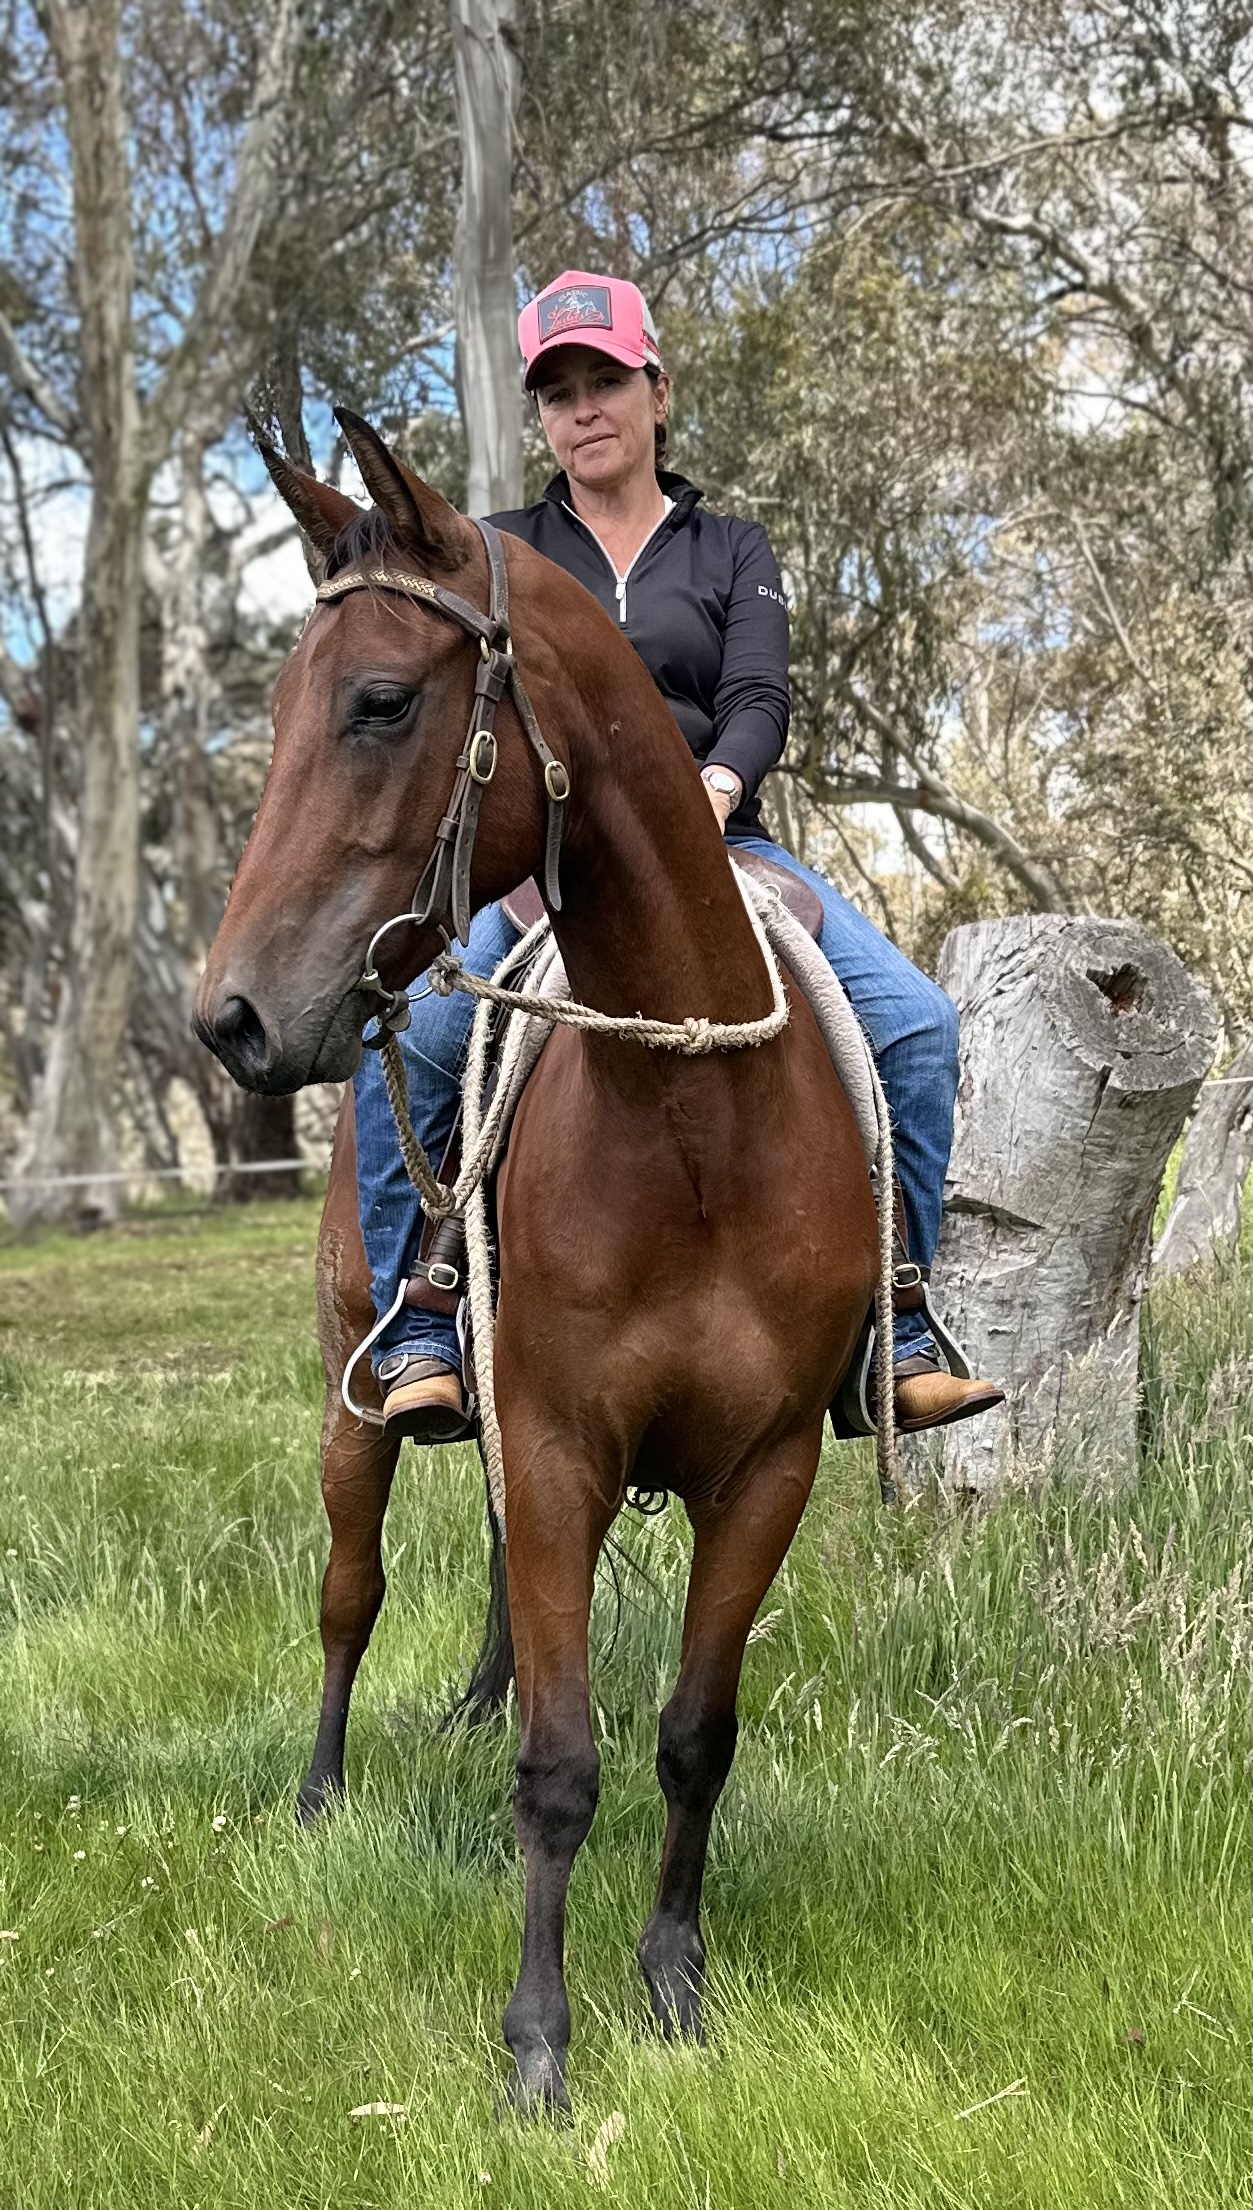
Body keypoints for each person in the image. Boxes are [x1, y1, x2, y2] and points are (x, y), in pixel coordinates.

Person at [352, 269, 1004, 1442]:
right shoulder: (500, 553)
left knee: (915, 1026)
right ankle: (420, 1320)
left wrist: (711, 787)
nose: (582, 409)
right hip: (545, 861)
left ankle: (894, 1323)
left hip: (721, 837)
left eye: (604, 381)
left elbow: (758, 697)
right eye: (557, 392)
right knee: (420, 1031)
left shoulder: (729, 549)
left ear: (656, 392)